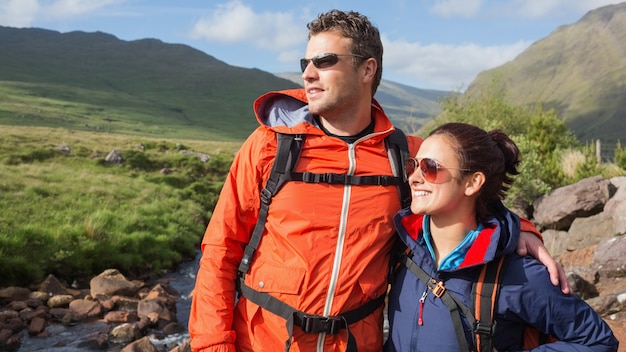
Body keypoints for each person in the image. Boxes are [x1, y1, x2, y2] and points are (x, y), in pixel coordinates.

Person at [188, 9, 568, 352]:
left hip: (355, 343)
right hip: (263, 341)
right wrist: (213, 344)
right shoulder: (270, 147)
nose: (307, 73)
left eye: (324, 61)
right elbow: (220, 249)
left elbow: (472, 182)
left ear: (367, 70)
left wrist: (524, 230)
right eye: (306, 61)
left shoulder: (407, 156)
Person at [384, 122, 619, 352]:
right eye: (412, 165)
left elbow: (597, 341)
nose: (413, 177)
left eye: (430, 167)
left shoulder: (519, 275)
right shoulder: (403, 247)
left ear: (473, 182)